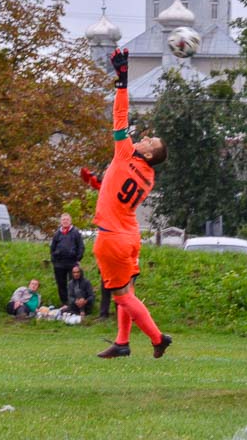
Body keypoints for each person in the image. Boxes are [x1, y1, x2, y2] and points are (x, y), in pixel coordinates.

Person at [93, 49, 172, 359]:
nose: (145, 139)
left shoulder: (126, 154)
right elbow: (114, 189)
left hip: (112, 237)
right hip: (130, 234)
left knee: (121, 296)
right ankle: (122, 342)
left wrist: (122, 81)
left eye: (149, 143)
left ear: (148, 154)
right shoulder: (149, 176)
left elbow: (120, 118)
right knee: (127, 290)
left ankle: (156, 338)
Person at [80, 167, 114, 320]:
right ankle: (104, 314)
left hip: (116, 241)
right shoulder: (106, 188)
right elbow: (100, 185)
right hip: (107, 242)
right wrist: (91, 178)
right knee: (106, 285)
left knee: (122, 290)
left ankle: (122, 315)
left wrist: (93, 179)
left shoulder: (113, 189)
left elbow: (102, 186)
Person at [50, 213, 84, 306]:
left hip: (72, 262)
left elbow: (81, 246)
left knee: (73, 283)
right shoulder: (57, 233)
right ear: (61, 221)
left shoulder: (75, 232)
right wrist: (54, 259)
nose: (65, 221)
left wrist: (78, 258)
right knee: (61, 284)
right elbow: (52, 247)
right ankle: (64, 303)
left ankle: (74, 303)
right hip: (59, 263)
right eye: (63, 219)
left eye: (67, 219)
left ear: (70, 221)